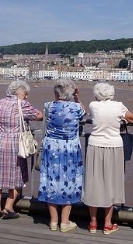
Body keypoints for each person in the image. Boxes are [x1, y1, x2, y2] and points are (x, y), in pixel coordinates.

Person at [82, 82, 133, 235]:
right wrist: (122, 121)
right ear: (111, 93)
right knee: (111, 183)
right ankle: (107, 224)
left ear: (97, 94)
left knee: (94, 182)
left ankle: (93, 223)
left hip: (95, 145)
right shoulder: (119, 106)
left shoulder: (93, 105)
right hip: (114, 145)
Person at [0, 80, 43, 220]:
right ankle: (8, 207)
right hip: (15, 145)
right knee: (17, 176)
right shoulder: (22, 104)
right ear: (19, 92)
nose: (26, 96)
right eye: (25, 93)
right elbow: (39, 115)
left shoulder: (0, 102)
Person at [38, 78, 86, 233]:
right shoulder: (75, 107)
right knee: (69, 182)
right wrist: (77, 97)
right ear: (71, 92)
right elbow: (84, 113)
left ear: (55, 91)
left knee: (51, 181)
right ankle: (64, 222)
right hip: (70, 148)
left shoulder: (48, 106)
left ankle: (53, 221)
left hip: (51, 147)